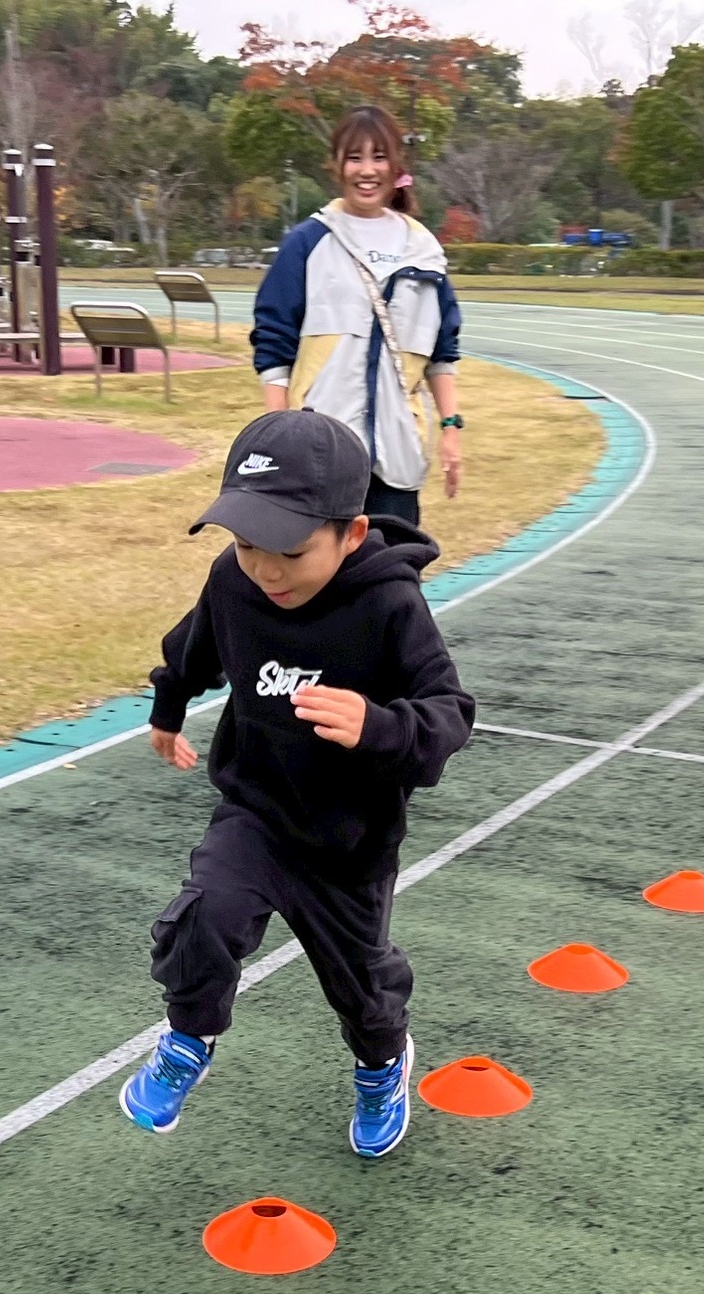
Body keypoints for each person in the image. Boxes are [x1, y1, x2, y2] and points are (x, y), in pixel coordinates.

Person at [119, 409, 475, 1159]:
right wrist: (168, 708)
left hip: (349, 842)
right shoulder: (234, 582)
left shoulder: (389, 602)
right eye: (247, 544)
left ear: (351, 534)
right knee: (203, 919)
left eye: (288, 550)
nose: (266, 570)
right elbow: (193, 649)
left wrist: (379, 725)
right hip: (255, 811)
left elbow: (449, 713)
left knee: (362, 990)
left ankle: (382, 1065)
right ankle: (188, 1040)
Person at [250, 104, 464, 528]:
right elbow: (273, 346)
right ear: (336, 165)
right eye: (354, 157)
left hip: (397, 455)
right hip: (318, 455)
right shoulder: (307, 243)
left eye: (379, 157)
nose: (367, 170)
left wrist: (451, 428)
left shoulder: (424, 250)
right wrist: (277, 435)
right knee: (318, 569)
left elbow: (442, 351)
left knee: (393, 567)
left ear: (396, 165)